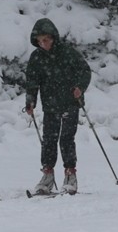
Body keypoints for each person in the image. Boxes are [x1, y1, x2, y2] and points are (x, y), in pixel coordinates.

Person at [24, 18, 91, 195]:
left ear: (53, 37)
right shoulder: (36, 58)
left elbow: (84, 71)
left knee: (66, 139)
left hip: (70, 103)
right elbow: (32, 81)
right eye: (39, 41)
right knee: (49, 140)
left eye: (45, 40)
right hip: (50, 105)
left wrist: (80, 88)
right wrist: (30, 101)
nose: (43, 44)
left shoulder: (68, 53)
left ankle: (70, 175)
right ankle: (47, 175)